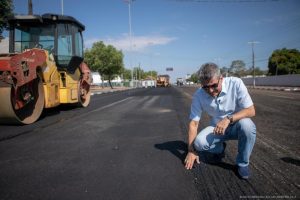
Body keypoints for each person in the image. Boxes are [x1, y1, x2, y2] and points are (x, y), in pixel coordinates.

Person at [184, 62, 256, 179]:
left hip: (237, 125)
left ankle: (242, 163)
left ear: (221, 78)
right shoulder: (199, 95)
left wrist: (228, 119)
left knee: (248, 126)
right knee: (198, 143)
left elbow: (251, 111)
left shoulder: (235, 83)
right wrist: (191, 150)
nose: (211, 90)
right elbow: (194, 123)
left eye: (213, 85)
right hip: (217, 129)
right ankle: (219, 149)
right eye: (205, 87)